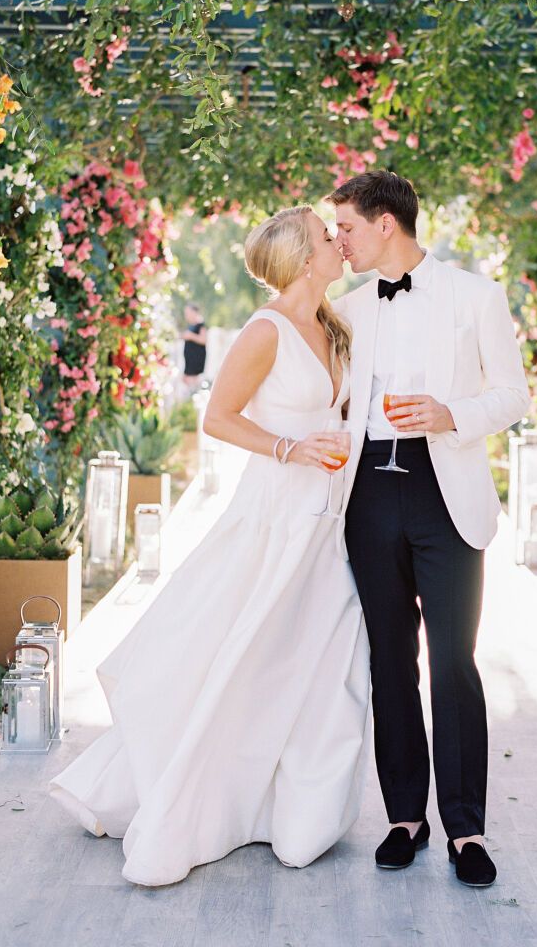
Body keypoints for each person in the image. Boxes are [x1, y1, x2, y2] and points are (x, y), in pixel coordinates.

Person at [50, 207, 370, 887]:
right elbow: (218, 418)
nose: (340, 241)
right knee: (251, 654)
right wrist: (291, 446)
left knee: (320, 661)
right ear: (302, 257)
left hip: (326, 522)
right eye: (326, 235)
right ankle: (202, 799)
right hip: (277, 515)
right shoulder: (267, 330)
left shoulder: (335, 324)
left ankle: (297, 814)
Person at [329, 170, 530, 889]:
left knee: (453, 662)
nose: (338, 241)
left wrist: (452, 414)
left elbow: (514, 393)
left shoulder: (478, 295)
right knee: (390, 661)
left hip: (447, 495)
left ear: (387, 224)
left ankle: (467, 829)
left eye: (347, 227)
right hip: (368, 498)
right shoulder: (346, 308)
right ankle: (403, 819)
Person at [181, 302, 208, 391]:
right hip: (189, 360)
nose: (186, 316)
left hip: (196, 360)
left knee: (193, 384)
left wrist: (191, 336)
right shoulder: (191, 326)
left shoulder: (201, 325)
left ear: (194, 312)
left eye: (188, 313)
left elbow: (204, 340)